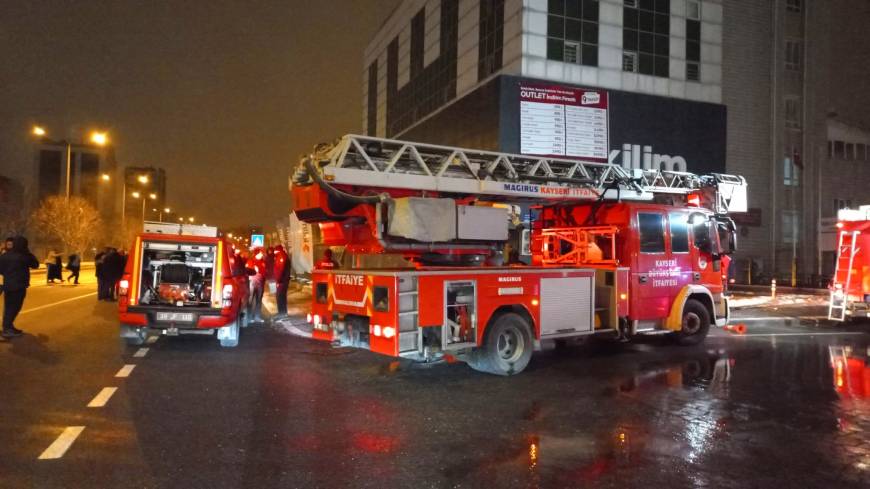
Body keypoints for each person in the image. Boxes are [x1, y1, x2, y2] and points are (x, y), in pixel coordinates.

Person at [0, 236, 40, 338]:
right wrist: (28, 252)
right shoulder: (24, 256)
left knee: (9, 307)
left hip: (8, 285)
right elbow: (35, 264)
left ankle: (8, 326)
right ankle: (7, 329)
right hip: (19, 286)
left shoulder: (5, 256)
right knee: (14, 308)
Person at [246, 248, 266, 322]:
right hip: (252, 283)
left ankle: (257, 317)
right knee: (250, 300)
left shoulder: (263, 262)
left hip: (260, 283)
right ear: (257, 254)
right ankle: (249, 317)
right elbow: (247, 272)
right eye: (260, 253)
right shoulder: (251, 261)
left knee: (259, 300)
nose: (262, 255)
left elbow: (265, 272)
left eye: (262, 253)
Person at [273, 245, 291, 317]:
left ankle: (282, 313)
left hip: (282, 281)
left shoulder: (281, 256)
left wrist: (278, 281)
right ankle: (282, 312)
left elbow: (280, 269)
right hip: (283, 280)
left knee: (280, 296)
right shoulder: (281, 256)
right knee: (281, 296)